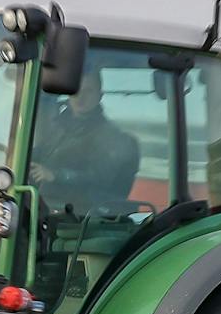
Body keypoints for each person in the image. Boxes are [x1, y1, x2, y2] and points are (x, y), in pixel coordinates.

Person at [27, 62, 141, 218]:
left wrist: (56, 175)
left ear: (99, 96)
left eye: (88, 91)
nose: (81, 97)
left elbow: (100, 178)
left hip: (82, 219)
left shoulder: (112, 137)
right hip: (44, 210)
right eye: (76, 91)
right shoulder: (58, 129)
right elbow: (39, 153)